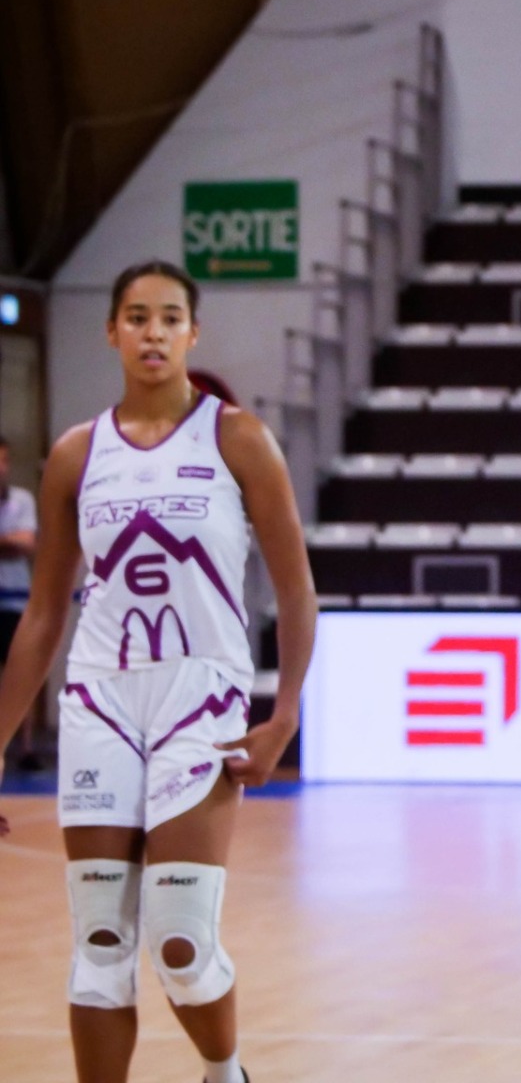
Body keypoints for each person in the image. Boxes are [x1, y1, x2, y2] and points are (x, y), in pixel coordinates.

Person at [0, 259, 317, 1083]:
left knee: (179, 940)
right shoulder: (75, 454)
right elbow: (43, 614)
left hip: (201, 695)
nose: (153, 332)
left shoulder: (238, 437)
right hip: (100, 699)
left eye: (170, 318)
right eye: (137, 317)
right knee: (101, 943)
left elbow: (295, 589)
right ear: (111, 331)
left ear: (192, 333)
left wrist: (281, 715)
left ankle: (226, 1072)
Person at [0, 435, 37, 764]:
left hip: (14, 603)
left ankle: (24, 748)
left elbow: (26, 543)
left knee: (19, 674)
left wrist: (13, 542)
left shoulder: (21, 500)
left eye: (3, 461)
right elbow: (13, 542)